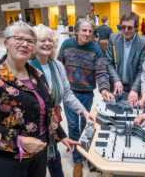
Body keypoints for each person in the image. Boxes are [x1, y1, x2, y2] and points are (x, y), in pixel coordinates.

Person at [0, 22, 79, 177]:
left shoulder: (36, 74)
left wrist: (62, 135)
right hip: (7, 160)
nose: (24, 44)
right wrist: (19, 141)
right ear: (6, 43)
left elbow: (47, 111)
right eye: (18, 38)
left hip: (39, 153)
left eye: (30, 41)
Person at [29, 24, 96, 177]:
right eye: (42, 40)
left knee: (54, 162)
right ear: (34, 43)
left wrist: (84, 112)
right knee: (35, 166)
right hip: (32, 126)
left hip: (52, 125)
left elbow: (66, 93)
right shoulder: (27, 66)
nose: (47, 43)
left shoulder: (58, 66)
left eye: (50, 40)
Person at [58, 17, 114, 177]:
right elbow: (59, 65)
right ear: (76, 31)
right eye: (84, 30)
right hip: (69, 94)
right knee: (74, 126)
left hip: (87, 94)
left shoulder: (96, 49)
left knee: (87, 125)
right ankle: (77, 161)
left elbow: (101, 71)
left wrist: (103, 88)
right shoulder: (67, 45)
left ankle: (87, 156)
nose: (87, 33)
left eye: (90, 31)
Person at [105, 11, 145, 107]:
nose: (126, 30)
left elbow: (142, 70)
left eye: (130, 27)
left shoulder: (143, 43)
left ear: (136, 28)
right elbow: (108, 62)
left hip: (134, 88)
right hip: (116, 86)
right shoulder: (113, 38)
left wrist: (134, 89)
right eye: (123, 27)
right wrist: (116, 80)